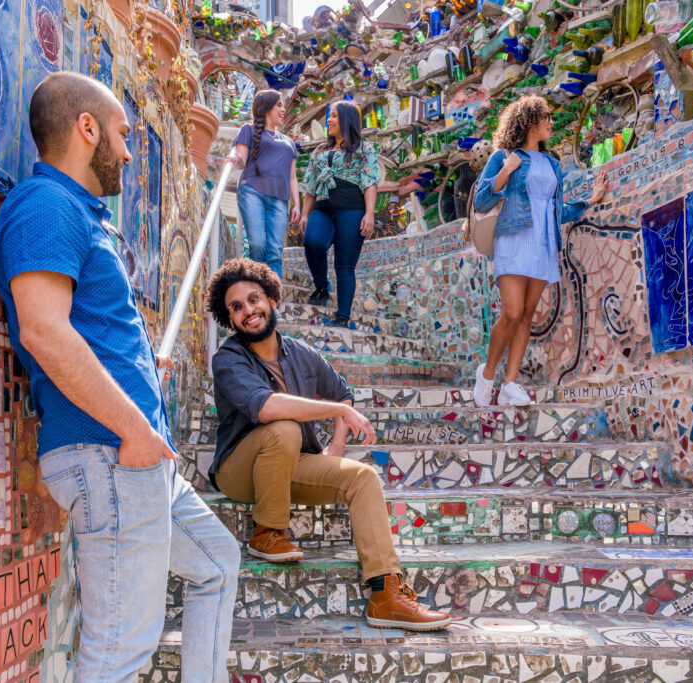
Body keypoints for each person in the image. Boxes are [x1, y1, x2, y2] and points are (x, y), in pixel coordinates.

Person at [0, 71, 239, 682]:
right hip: (110, 454)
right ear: (86, 128)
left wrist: (141, 375)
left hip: (131, 455)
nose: (129, 151)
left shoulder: (83, 214)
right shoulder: (45, 204)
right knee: (119, 653)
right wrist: (133, 428)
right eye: (124, 135)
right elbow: (43, 330)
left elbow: (87, 330)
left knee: (217, 561)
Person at [206, 258, 451, 631]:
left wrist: (336, 444)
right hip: (239, 471)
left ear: (272, 299)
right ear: (229, 319)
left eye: (254, 299)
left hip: (289, 463)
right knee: (284, 427)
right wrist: (336, 409)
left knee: (364, 478)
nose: (248, 311)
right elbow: (268, 408)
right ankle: (267, 530)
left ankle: (386, 594)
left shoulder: (301, 353)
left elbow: (343, 394)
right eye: (235, 307)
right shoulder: (228, 358)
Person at [471, 95, 608, 407]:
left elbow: (555, 210)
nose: (550, 122)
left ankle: (509, 384)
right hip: (514, 238)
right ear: (528, 120)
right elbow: (481, 201)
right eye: (545, 116)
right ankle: (488, 373)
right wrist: (505, 171)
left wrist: (590, 199)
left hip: (544, 242)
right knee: (512, 311)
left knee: (527, 316)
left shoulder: (553, 163)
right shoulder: (504, 155)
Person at [299, 100, 381, 326]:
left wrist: (370, 214)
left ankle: (343, 316)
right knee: (313, 242)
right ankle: (321, 287)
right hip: (323, 207)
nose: (329, 120)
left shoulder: (364, 150)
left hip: (352, 210)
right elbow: (310, 184)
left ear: (347, 119)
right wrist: (305, 214)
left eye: (334, 116)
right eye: (329, 116)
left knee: (344, 265)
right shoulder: (320, 150)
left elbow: (370, 183)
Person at [226, 89, 300, 277]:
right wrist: (233, 159)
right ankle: (255, 293)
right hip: (252, 192)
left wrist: (296, 204)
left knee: (275, 252)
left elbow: (292, 177)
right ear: (266, 106)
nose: (283, 110)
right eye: (279, 105)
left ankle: (273, 301)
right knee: (258, 246)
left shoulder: (289, 142)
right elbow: (241, 160)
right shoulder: (248, 130)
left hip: (280, 200)